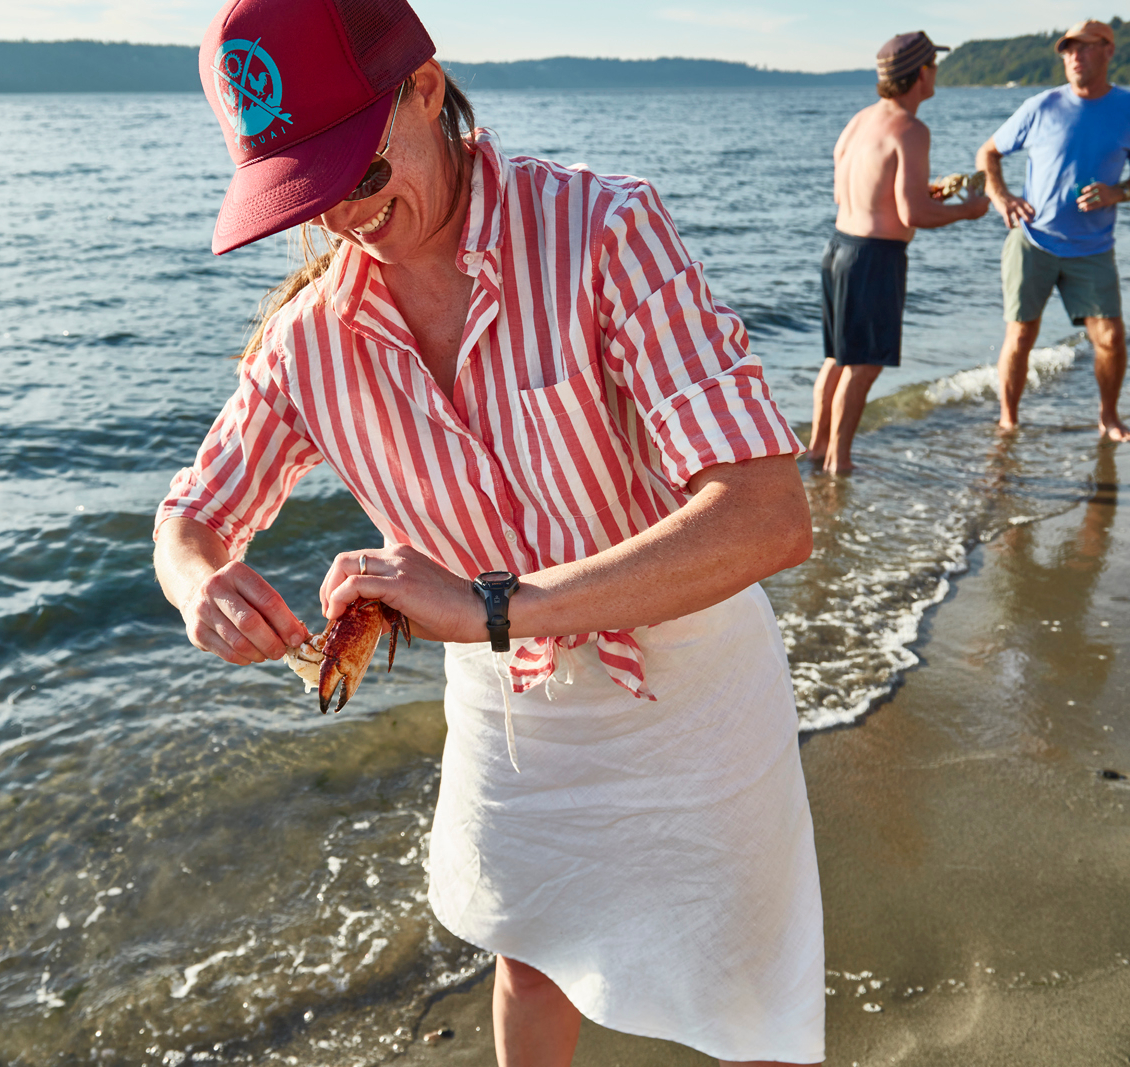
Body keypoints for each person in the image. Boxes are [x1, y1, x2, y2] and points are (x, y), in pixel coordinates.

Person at [153, 1, 824, 1063]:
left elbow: (766, 515)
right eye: (308, 196)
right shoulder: (308, 342)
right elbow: (193, 512)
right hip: (512, 702)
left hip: (692, 675)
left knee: (737, 976)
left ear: (425, 89)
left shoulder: (601, 230)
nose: (344, 220)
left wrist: (495, 603)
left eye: (361, 176)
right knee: (528, 944)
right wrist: (199, 582)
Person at [811, 31, 990, 474]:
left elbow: (850, 192)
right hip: (874, 259)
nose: (936, 75)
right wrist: (969, 210)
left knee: (836, 358)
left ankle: (816, 450)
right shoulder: (911, 129)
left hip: (839, 248)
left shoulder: (860, 120)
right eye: (933, 67)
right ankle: (840, 463)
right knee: (864, 366)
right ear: (920, 74)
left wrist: (927, 196)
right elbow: (913, 214)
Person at [976, 18, 1130, 442]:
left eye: (1084, 47)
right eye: (1067, 49)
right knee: (1021, 335)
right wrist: (1001, 196)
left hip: (1092, 247)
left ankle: (1109, 417)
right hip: (1032, 241)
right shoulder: (1041, 106)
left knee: (1112, 338)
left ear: (1109, 50)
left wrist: (1118, 192)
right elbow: (988, 152)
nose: (1074, 56)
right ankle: (1009, 419)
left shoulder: (1126, 108)